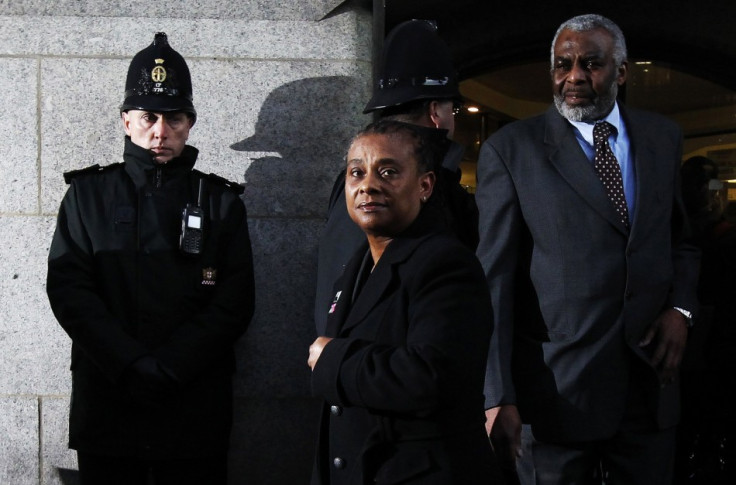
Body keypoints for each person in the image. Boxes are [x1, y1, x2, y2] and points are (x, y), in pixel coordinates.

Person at [475, 14, 700, 485]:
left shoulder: (662, 138)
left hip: (649, 384)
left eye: (591, 64)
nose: (574, 77)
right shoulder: (511, 151)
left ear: (621, 72)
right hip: (557, 395)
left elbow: (681, 242)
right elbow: (493, 281)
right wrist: (498, 395)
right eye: (563, 64)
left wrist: (680, 309)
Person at [46, 32, 255, 484]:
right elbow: (69, 290)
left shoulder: (220, 203)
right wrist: (130, 363)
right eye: (147, 117)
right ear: (126, 121)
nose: (160, 132)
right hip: (109, 403)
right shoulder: (88, 196)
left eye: (174, 118)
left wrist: (172, 365)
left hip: (193, 407)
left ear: (190, 122)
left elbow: (234, 302)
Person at [308, 120, 499, 484]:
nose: (368, 185)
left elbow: (432, 376)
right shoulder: (355, 265)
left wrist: (332, 360)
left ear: (425, 185)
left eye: (388, 171)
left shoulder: (446, 263)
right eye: (356, 172)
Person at [314, 19, 478, 336]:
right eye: (452, 110)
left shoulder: (349, 181)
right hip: (387, 370)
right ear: (435, 112)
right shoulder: (433, 187)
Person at [675, 156, 736, 484]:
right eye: (703, 187)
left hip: (714, 356)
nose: (712, 196)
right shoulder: (675, 236)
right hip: (685, 356)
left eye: (716, 189)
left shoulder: (725, 240)